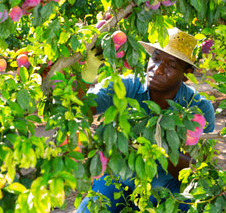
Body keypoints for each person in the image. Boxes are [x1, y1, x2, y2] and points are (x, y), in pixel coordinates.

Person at [77, 28, 215, 212]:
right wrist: (87, 74)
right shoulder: (126, 87)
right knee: (93, 208)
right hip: (119, 178)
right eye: (156, 58)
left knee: (194, 203)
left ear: (186, 74)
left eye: (171, 65)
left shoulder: (198, 108)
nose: (158, 69)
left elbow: (198, 168)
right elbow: (82, 109)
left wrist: (159, 150)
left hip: (167, 187)